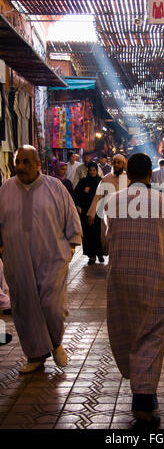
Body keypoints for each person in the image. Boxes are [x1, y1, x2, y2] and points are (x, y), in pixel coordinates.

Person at [102, 153, 164, 429]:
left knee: (129, 332)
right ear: (149, 176)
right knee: (152, 336)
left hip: (121, 280)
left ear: (128, 176)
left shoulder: (113, 202)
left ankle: (143, 392)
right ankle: (143, 399)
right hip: (158, 279)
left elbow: (107, 242)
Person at [0, 145, 82, 373]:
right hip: (18, 261)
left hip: (52, 259)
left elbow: (71, 219)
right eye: (17, 161)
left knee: (52, 307)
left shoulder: (54, 187)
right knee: (24, 308)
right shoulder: (5, 189)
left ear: (37, 164)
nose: (20, 167)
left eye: (26, 162)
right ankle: (35, 356)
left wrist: (70, 249)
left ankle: (55, 343)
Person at [74, 161, 104, 265]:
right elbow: (75, 196)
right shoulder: (83, 182)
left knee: (98, 233)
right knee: (88, 234)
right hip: (86, 213)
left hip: (99, 213)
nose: (92, 172)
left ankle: (100, 254)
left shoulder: (101, 181)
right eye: (90, 170)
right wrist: (84, 192)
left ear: (97, 170)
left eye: (94, 170)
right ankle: (91, 256)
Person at [87, 153, 128, 225]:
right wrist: (92, 213)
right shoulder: (106, 178)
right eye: (114, 162)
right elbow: (98, 196)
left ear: (123, 164)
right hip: (108, 215)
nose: (116, 165)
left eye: (119, 163)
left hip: (124, 214)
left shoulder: (128, 179)